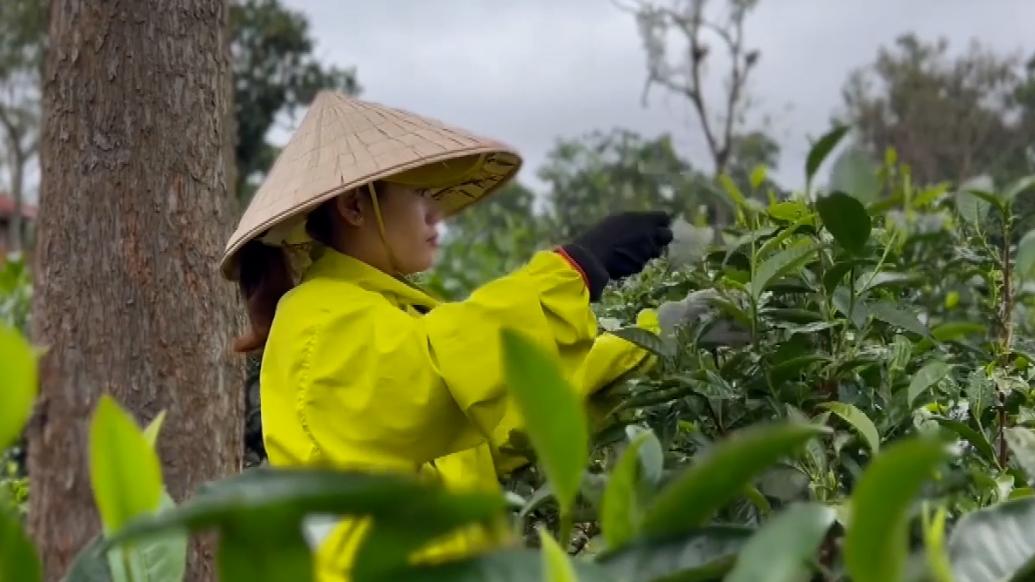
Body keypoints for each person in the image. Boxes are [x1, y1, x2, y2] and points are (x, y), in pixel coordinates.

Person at [221, 91, 673, 581]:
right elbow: (439, 373)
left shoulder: (388, 316)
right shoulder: (316, 316)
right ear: (355, 205)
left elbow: (503, 413)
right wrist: (574, 270)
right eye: (421, 195)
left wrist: (655, 337)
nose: (436, 216)